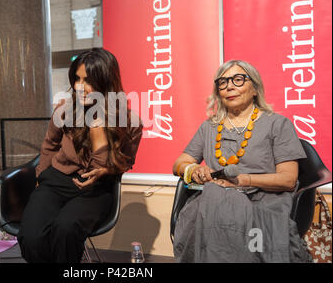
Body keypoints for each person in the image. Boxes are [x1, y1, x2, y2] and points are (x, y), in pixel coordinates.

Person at [172, 60, 312, 263]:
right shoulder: (209, 127)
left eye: (238, 80)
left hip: (263, 199)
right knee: (210, 209)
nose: (229, 86)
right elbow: (179, 163)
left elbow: (288, 179)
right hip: (215, 197)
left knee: (231, 213)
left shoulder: (278, 124)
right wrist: (193, 170)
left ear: (255, 88)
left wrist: (244, 180)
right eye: (223, 82)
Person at [17, 48, 143, 263]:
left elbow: (124, 162)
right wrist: (40, 177)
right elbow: (49, 145)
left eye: (88, 80)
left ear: (106, 82)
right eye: (77, 79)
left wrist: (98, 128)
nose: (80, 87)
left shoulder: (130, 122)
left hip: (96, 188)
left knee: (65, 229)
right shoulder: (65, 109)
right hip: (56, 181)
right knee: (31, 236)